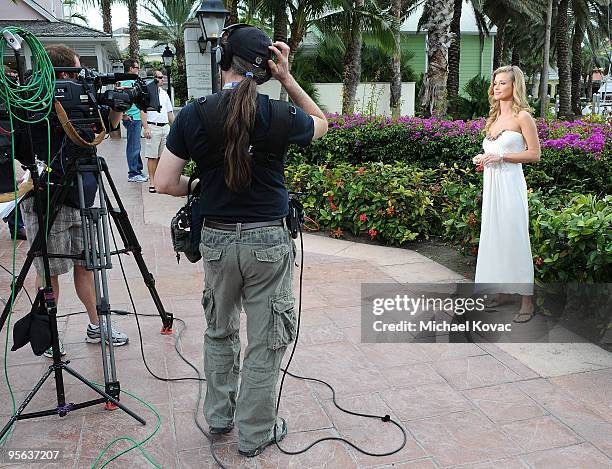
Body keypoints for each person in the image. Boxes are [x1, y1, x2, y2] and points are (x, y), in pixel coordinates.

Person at [155, 25, 327, 457]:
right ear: (267, 67)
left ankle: (219, 417)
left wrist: (199, 187)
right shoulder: (280, 115)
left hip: (214, 240)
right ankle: (254, 434)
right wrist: (288, 80)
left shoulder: (194, 113)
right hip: (268, 241)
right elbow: (323, 123)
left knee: (219, 331)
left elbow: (164, 182)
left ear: (222, 62)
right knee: (266, 339)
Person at [16, 45, 129, 357]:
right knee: (48, 270)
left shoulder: (84, 97)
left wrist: (116, 106)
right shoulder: (34, 104)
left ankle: (97, 326)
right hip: (48, 196)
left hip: (84, 193)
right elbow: (17, 145)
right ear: (64, 74)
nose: (83, 79)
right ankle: (48, 332)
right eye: (77, 72)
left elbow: (107, 127)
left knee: (87, 265)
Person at [473, 65, 541, 323]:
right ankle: (500, 292)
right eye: (495, 83)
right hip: (492, 186)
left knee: (515, 237)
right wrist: (485, 159)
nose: (497, 87)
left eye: (503, 83)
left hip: (511, 186)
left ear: (515, 86)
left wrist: (501, 157)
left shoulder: (523, 117)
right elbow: (495, 153)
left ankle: (527, 301)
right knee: (495, 236)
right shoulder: (492, 119)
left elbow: (534, 154)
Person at [144, 69, 174, 193]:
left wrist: (176, 127)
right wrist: (146, 128)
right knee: (152, 156)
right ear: (154, 78)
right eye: (161, 77)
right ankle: (152, 181)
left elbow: (169, 113)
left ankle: (161, 181)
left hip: (165, 127)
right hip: (153, 127)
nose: (163, 79)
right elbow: (142, 110)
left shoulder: (164, 93)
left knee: (163, 156)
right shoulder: (146, 93)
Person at [120, 58, 150, 183]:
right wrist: (124, 115)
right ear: (131, 69)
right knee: (133, 146)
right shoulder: (126, 82)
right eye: (137, 68)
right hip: (132, 118)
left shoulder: (132, 81)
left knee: (136, 145)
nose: (139, 70)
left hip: (136, 117)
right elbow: (120, 99)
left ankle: (137, 170)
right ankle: (133, 173)